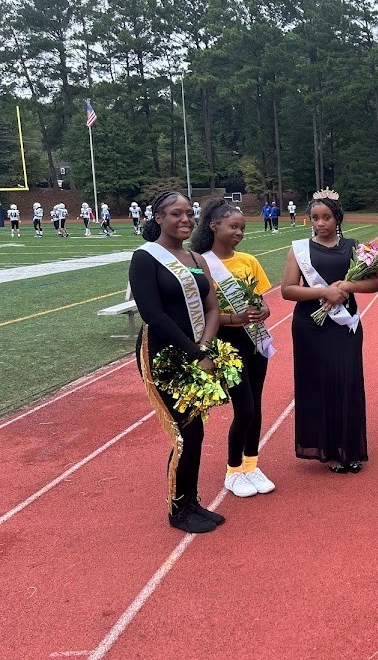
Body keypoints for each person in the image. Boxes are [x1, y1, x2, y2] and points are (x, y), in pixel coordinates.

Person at [128, 190, 222, 533]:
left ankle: (192, 501)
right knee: (185, 434)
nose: (184, 219)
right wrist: (195, 353)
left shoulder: (197, 258)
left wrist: (206, 346)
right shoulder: (145, 258)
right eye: (175, 214)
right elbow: (152, 313)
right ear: (159, 219)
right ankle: (178, 511)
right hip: (163, 354)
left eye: (189, 213)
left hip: (198, 351)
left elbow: (212, 307)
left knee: (196, 430)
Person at [281, 190, 378, 473]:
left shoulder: (353, 246)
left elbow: (375, 284)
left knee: (346, 381)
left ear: (337, 218)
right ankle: (327, 448)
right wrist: (323, 291)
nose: (320, 223)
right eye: (315, 217)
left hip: (344, 326)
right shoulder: (299, 249)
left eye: (326, 217)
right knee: (318, 383)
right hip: (309, 326)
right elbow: (287, 289)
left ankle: (350, 447)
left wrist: (346, 287)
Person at [192, 199, 277, 498]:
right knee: (244, 408)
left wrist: (262, 311)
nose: (239, 232)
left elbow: (263, 300)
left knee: (257, 405)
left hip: (253, 339)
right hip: (225, 344)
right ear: (214, 226)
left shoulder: (249, 261)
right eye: (233, 226)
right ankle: (233, 470)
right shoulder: (199, 263)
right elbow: (201, 314)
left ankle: (251, 465)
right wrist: (234, 318)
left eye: (242, 227)